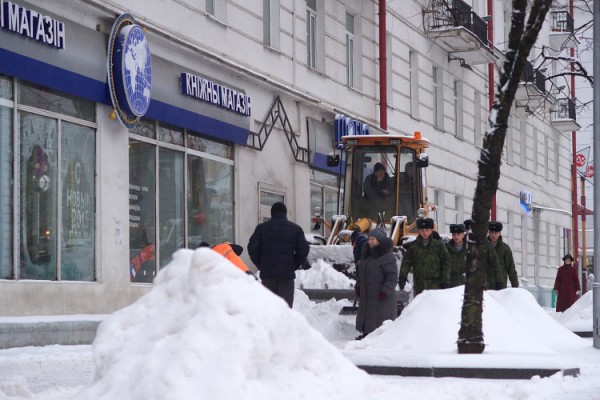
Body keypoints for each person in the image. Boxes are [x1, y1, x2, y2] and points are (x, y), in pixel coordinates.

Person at [247, 202, 310, 308]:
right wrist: (293, 265)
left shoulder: (262, 229)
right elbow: (304, 249)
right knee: (285, 309)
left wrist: (261, 265)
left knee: (269, 308)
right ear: (285, 213)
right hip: (286, 276)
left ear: (272, 213)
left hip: (267, 275)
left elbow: (252, 248)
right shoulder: (295, 229)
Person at [355, 228, 398, 339]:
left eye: (373, 239)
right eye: (369, 239)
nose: (370, 242)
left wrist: (385, 291)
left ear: (380, 240)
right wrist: (358, 286)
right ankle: (367, 333)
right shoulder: (366, 255)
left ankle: (378, 336)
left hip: (381, 295)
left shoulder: (387, 257)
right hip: (367, 294)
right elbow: (361, 274)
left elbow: (392, 277)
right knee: (368, 313)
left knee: (379, 315)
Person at [399, 218, 451, 296]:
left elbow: (446, 263)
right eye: (422, 230)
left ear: (431, 230)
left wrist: (445, 281)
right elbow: (406, 262)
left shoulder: (439, 246)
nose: (424, 232)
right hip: (419, 286)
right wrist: (402, 276)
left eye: (427, 230)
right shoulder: (413, 246)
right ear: (419, 231)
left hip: (435, 286)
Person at [463, 219, 503, 290]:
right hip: (462, 282)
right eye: (467, 230)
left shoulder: (486, 245)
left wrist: (499, 281)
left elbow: (495, 263)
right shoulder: (461, 244)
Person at [487, 221, 519, 289]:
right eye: (492, 233)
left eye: (496, 233)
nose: (493, 235)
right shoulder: (483, 247)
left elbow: (511, 269)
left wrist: (515, 287)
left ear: (499, 234)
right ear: (489, 233)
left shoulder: (505, 249)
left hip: (500, 286)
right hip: (485, 286)